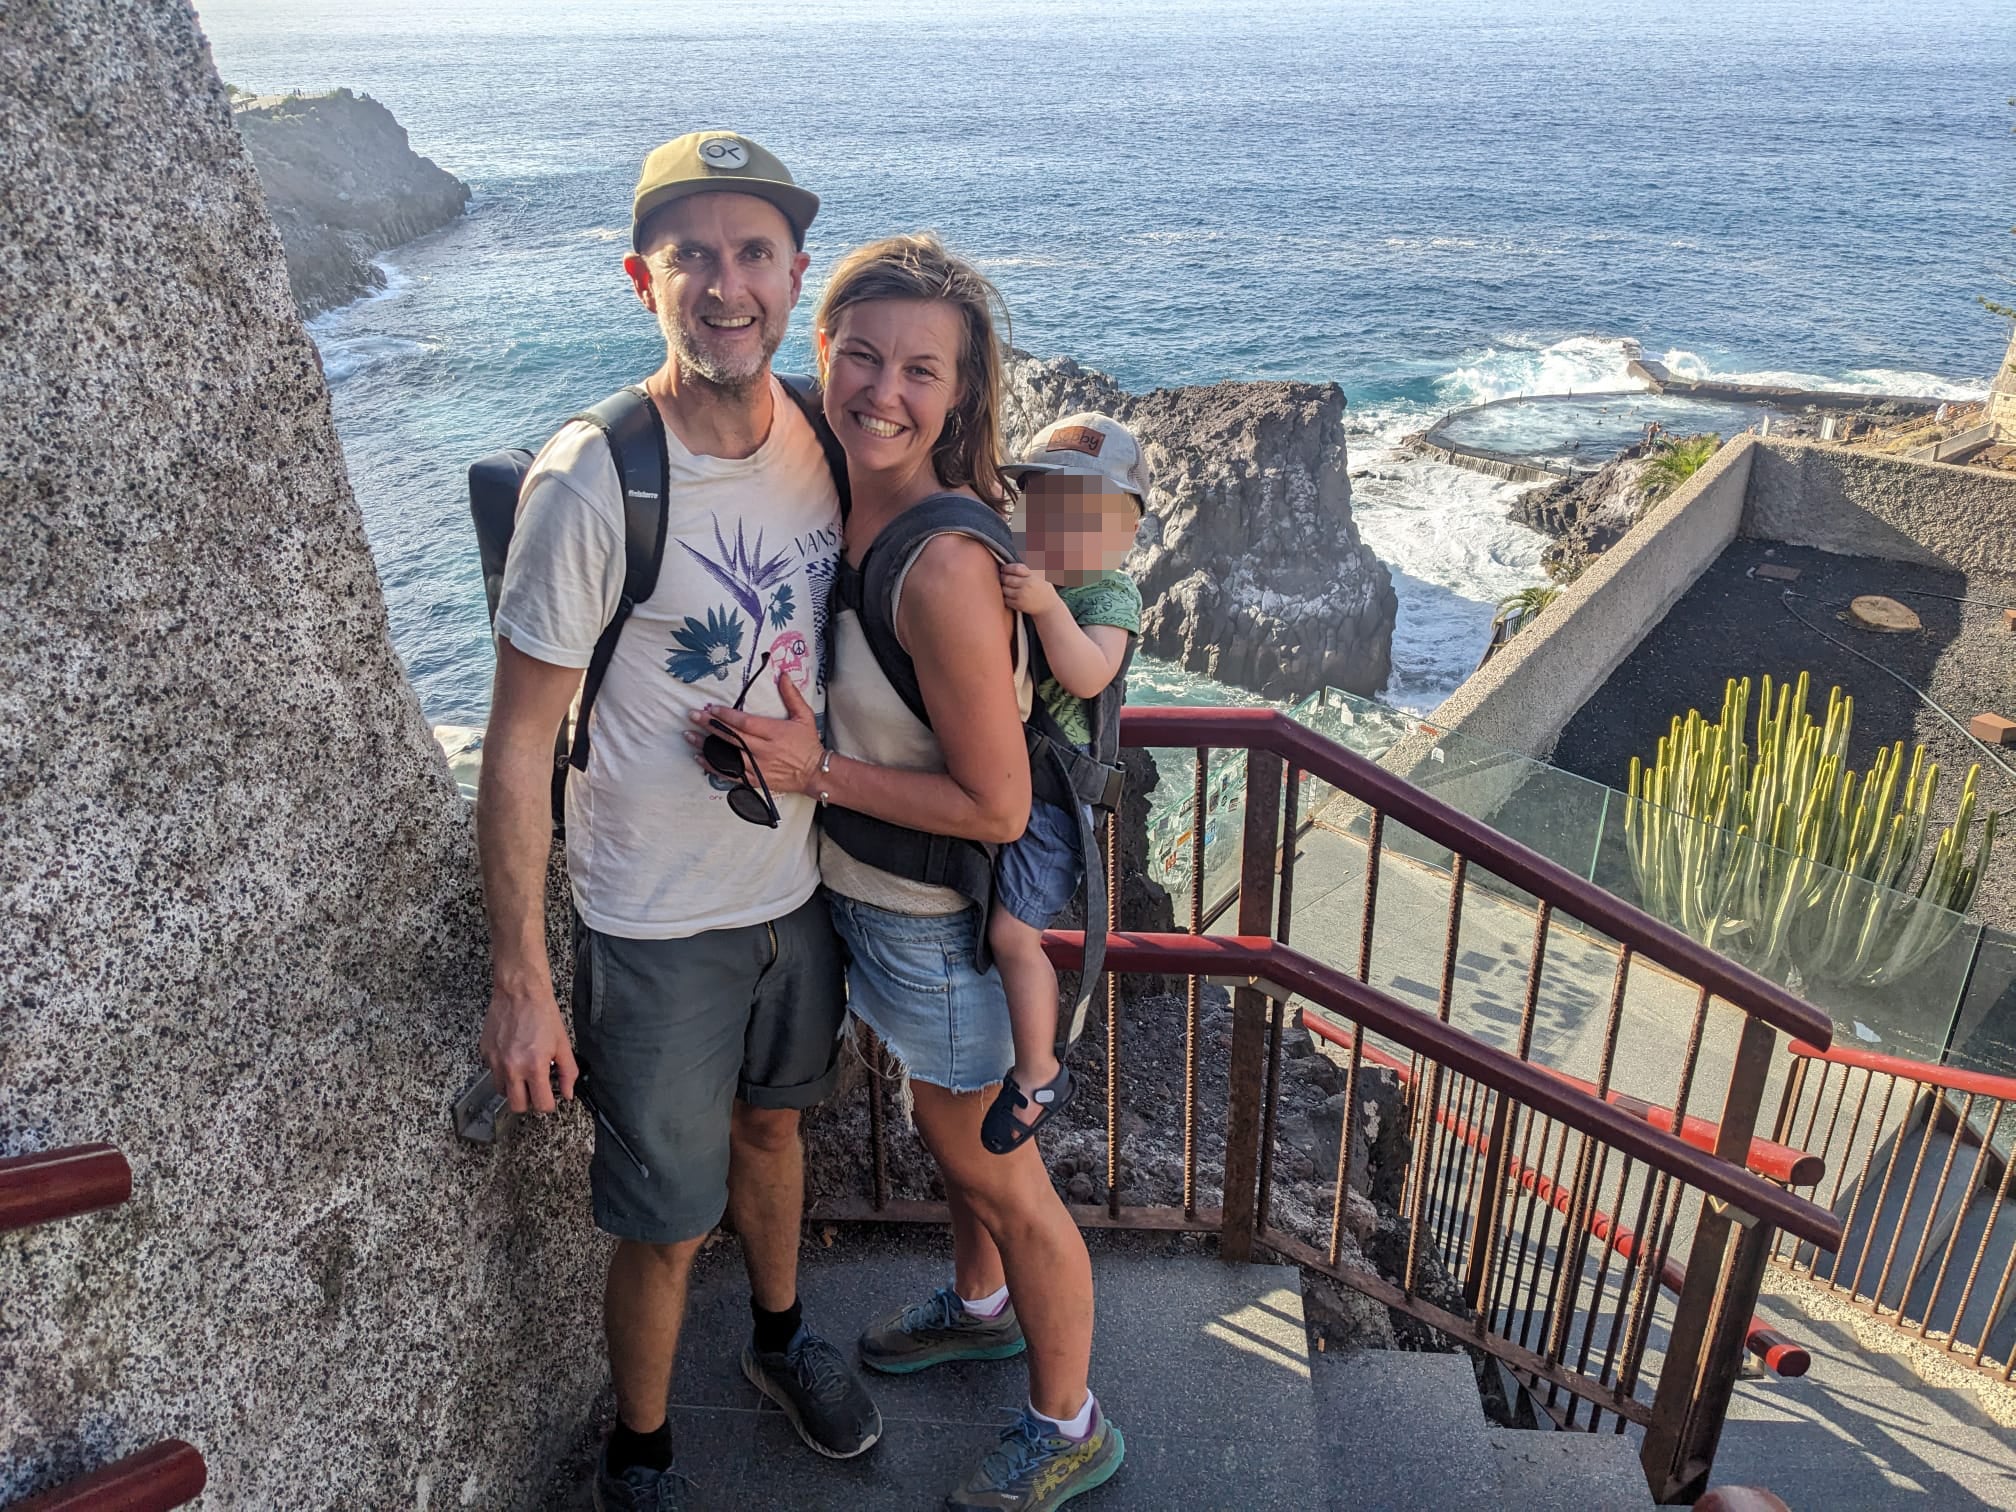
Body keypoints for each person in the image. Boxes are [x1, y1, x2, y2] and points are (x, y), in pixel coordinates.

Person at [475, 131, 879, 1511]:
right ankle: (638, 1454)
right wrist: (524, 979)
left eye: (753, 253)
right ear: (643, 280)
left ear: (794, 276)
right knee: (661, 1222)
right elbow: (521, 739)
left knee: (778, 1136)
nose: (726, 285)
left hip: (793, 886)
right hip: (653, 918)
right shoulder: (594, 478)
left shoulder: (822, 435)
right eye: (694, 257)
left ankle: (779, 1341)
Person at [698, 234, 1125, 1510]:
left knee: (1000, 1169)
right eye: (863, 356)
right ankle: (983, 1306)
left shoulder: (943, 561)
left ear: (962, 392)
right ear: (819, 355)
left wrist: (809, 769)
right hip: (877, 906)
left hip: (939, 925)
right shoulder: (844, 493)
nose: (885, 391)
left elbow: (997, 804)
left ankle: (1070, 1425)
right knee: (955, 1144)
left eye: (921, 371)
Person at [983, 414, 1148, 1155]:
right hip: (1019, 778)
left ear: (1124, 535)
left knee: (1013, 934)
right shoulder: (1035, 567)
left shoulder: (1109, 596)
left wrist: (1046, 606)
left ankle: (1039, 1069)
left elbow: (1088, 673)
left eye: (1082, 517)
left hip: (1059, 802)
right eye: (1043, 508)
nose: (1056, 528)